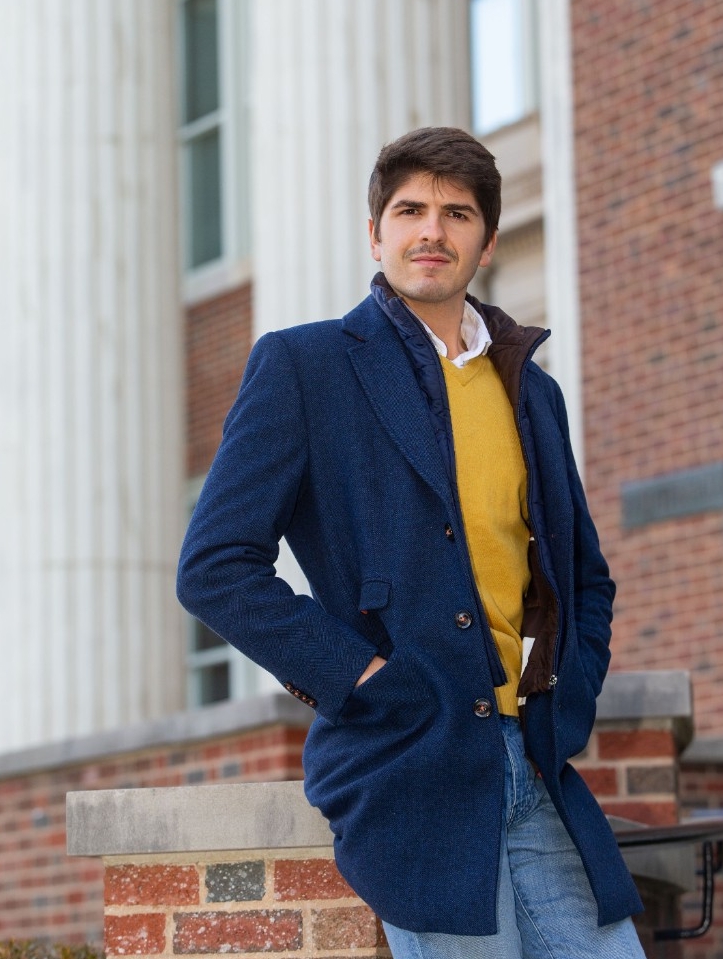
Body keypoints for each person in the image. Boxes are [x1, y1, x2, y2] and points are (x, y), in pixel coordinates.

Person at [177, 127, 646, 958]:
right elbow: (215, 568)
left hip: (536, 763)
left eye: (456, 213)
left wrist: (568, 687)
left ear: (487, 240)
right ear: (376, 233)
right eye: (410, 210)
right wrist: (361, 679)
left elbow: (583, 579)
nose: (431, 230)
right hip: (413, 766)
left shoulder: (531, 392)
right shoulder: (304, 365)